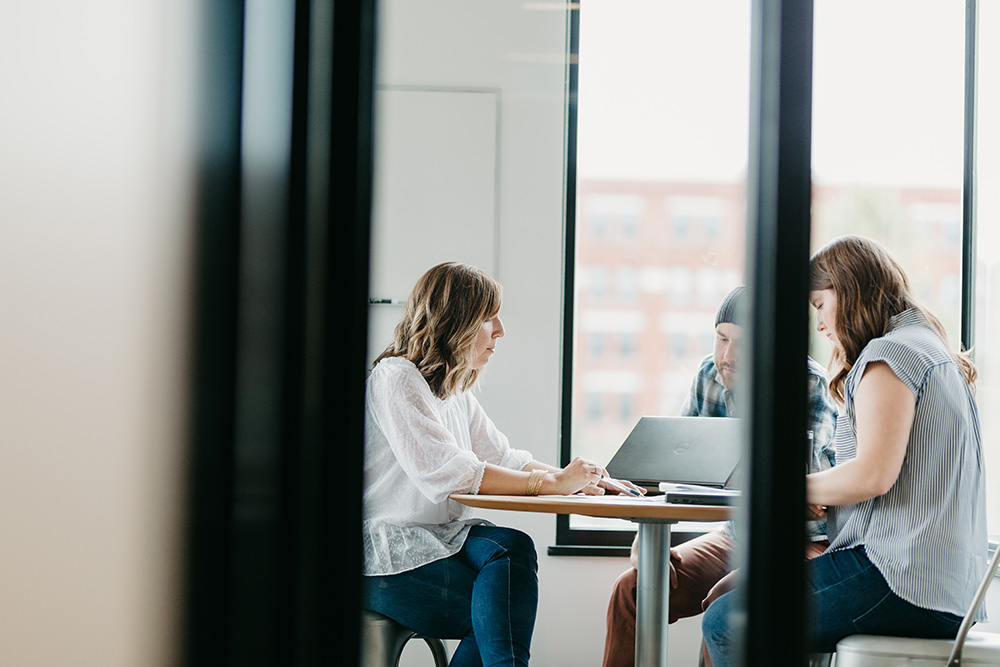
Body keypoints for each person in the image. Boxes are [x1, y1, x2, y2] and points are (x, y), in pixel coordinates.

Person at [702, 235, 988, 664]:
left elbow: (871, 474)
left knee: (727, 623)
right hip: (949, 589)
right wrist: (819, 494)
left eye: (819, 304)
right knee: (736, 597)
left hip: (901, 578)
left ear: (851, 289)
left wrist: (789, 490)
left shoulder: (888, 354)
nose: (818, 324)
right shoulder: (929, 349)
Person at [363, 261, 642, 667]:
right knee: (500, 609)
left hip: (437, 542)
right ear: (453, 322)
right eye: (487, 318)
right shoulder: (396, 376)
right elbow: (446, 472)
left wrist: (581, 481)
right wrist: (555, 485)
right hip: (386, 555)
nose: (500, 331)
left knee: (509, 560)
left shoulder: (455, 394)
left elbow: (506, 460)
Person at [602, 285, 838, 667]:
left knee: (724, 601)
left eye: (743, 344)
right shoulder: (710, 375)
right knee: (633, 589)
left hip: (806, 541)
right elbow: (672, 469)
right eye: (722, 339)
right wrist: (647, 540)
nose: (728, 356)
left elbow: (798, 490)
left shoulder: (808, 383)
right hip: (737, 535)